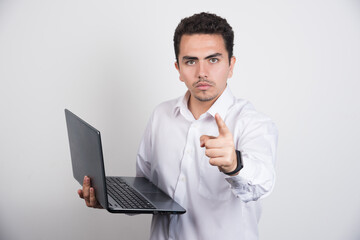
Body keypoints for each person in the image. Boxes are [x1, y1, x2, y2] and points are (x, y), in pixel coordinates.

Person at [78, 12, 278, 240]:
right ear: (178, 69)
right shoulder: (161, 115)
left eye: (213, 60)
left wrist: (234, 163)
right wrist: (106, 199)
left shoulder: (254, 123)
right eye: (191, 61)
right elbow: (147, 190)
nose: (202, 72)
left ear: (231, 66)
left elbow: (262, 184)